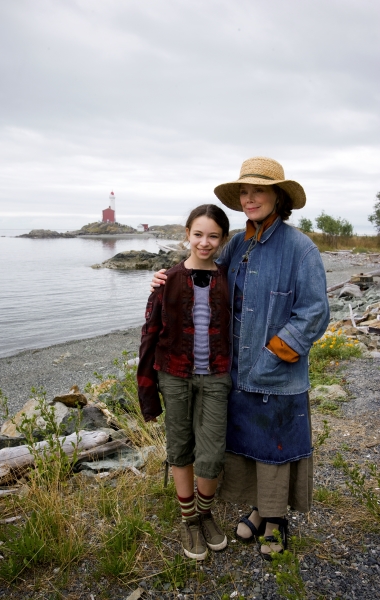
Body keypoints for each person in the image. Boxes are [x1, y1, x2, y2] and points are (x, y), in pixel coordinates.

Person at [150, 157, 330, 560]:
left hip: (275, 373)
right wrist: (167, 277)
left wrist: (272, 356)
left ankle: (276, 524)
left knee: (276, 450)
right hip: (232, 369)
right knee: (247, 449)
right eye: (244, 192)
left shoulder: (300, 248)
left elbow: (315, 313)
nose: (249, 199)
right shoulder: (239, 245)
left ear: (278, 197)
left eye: (258, 191)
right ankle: (258, 511)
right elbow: (207, 275)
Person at [137, 204, 232, 561]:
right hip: (174, 375)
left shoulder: (227, 278)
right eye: (198, 234)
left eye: (213, 236)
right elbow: (149, 334)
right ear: (187, 234)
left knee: (212, 450)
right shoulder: (167, 280)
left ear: (222, 240)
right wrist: (146, 389)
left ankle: (206, 514)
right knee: (180, 446)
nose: (204, 242)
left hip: (217, 375)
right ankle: (189, 519)